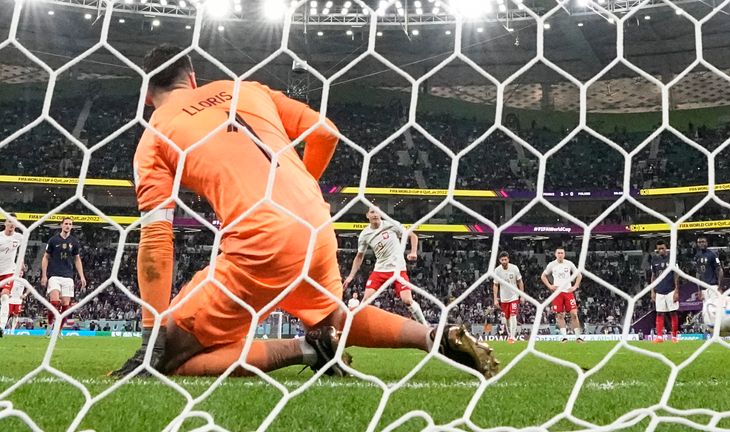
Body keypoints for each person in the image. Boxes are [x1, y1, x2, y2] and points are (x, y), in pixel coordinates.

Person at [111, 45, 498, 379]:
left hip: (260, 243)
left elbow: (157, 239)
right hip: (314, 224)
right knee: (332, 317)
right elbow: (325, 131)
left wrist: (152, 333)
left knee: (168, 361)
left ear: (146, 94)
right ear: (193, 78)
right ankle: (435, 336)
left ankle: (307, 350)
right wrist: (301, 186)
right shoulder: (247, 88)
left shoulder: (154, 136)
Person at [343, 207, 427, 325]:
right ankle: (354, 327)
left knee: (407, 300)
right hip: (380, 271)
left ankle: (425, 326)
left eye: (377, 212)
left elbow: (413, 235)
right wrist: (351, 276)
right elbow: (359, 256)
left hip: (398, 271)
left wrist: (413, 252)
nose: (375, 214)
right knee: (365, 301)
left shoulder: (391, 225)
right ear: (367, 215)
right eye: (372, 212)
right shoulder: (365, 235)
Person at [41, 218, 86, 333]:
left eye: (70, 224)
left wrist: (82, 276)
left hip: (68, 276)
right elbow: (46, 257)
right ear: (61, 225)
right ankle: (50, 324)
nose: (68, 226)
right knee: (55, 302)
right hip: (54, 275)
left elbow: (77, 259)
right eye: (66, 224)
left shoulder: (74, 242)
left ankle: (58, 330)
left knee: (66, 306)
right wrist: (44, 275)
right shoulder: (53, 240)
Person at [540, 247, 584, 343]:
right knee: (560, 315)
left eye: (562, 253)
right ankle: (564, 337)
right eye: (558, 253)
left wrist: (575, 287)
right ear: (555, 254)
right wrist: (550, 286)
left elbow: (579, 275)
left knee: (574, 314)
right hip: (557, 293)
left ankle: (578, 337)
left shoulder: (569, 264)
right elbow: (543, 276)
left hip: (568, 292)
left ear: (564, 254)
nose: (560, 255)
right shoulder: (552, 264)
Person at [651, 240, 680, 343]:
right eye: (659, 249)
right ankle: (659, 337)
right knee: (659, 313)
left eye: (662, 248)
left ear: (666, 248)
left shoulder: (672, 259)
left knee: (673, 313)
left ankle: (674, 337)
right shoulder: (654, 260)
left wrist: (677, 291)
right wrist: (652, 291)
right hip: (659, 291)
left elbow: (676, 275)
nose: (661, 250)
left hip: (671, 290)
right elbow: (653, 276)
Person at [492, 251, 524, 343]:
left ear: (508, 259)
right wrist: (495, 299)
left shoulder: (514, 268)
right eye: (502, 260)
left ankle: (512, 337)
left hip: (514, 296)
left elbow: (520, 282)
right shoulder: (497, 270)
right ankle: (510, 335)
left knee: (513, 315)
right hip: (503, 298)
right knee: (506, 319)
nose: (504, 261)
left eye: (506, 259)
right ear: (500, 261)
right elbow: (495, 285)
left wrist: (522, 295)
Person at [0, 214, 24, 337]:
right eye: (9, 221)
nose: (11, 224)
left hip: (8, 272)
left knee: (5, 297)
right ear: (5, 223)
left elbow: (21, 251)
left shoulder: (19, 237)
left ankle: (1, 326)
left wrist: (21, 263)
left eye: (14, 221)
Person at [694, 236, 723, 301]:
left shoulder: (713, 254)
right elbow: (698, 273)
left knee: (715, 307)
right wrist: (699, 289)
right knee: (706, 308)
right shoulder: (697, 256)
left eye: (703, 242)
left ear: (707, 243)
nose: (701, 244)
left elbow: (719, 270)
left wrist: (720, 285)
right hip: (703, 287)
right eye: (699, 242)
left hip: (713, 286)